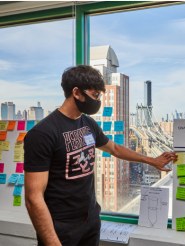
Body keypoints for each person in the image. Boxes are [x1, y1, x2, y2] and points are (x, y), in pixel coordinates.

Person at [24, 65, 177, 246]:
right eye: (95, 95)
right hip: (61, 225)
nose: (98, 101)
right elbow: (33, 198)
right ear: (76, 93)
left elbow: (114, 149)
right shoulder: (43, 133)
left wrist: (152, 160)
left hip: (90, 219)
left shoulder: (88, 123)